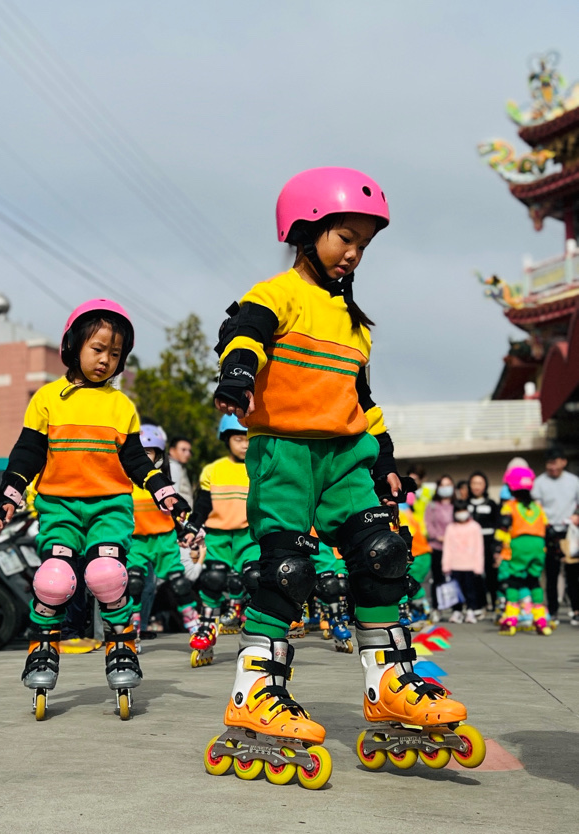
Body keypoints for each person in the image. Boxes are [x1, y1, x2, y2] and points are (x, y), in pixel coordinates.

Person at [194, 166, 483, 787]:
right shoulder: (277, 294)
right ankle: (254, 690)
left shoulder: (355, 323)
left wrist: (385, 456)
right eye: (344, 238)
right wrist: (238, 376)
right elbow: (244, 335)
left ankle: (390, 684)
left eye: (364, 245)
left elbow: (361, 396)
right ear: (305, 232)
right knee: (287, 571)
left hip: (347, 453)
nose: (354, 253)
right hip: (286, 452)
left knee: (383, 554)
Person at [0, 299, 189, 720]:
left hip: (109, 507)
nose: (105, 360)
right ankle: (43, 645)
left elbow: (136, 460)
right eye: (98, 349)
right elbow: (27, 453)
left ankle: (122, 643)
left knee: (105, 574)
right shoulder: (48, 399)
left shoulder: (120, 405)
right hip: (59, 507)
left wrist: (165, 492)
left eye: (115, 353)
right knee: (54, 580)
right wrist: (8, 495)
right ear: (72, 345)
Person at [183, 413, 260, 665]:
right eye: (238, 439)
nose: (244, 444)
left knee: (255, 578)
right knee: (213, 578)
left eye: (248, 438)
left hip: (249, 536)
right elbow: (203, 505)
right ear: (227, 440)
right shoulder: (213, 470)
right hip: (218, 535)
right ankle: (207, 626)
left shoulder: (260, 467)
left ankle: (257, 628)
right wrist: (192, 527)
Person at [127, 423, 201, 644]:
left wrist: (190, 529)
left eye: (147, 452)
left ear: (158, 456)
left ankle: (196, 629)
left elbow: (179, 509)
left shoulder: (161, 483)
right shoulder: (124, 484)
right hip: (136, 542)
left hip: (164, 541)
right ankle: (134, 631)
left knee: (179, 584)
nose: (142, 457)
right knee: (134, 584)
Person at [496, 466, 553, 636]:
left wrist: (497, 546)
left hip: (519, 545)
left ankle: (511, 621)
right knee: (534, 581)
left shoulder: (510, 506)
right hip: (538, 546)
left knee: (514, 581)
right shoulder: (537, 507)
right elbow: (548, 528)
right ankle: (541, 621)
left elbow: (504, 526)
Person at [532, 446, 579, 623]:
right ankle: (552, 611)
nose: (552, 467)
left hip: (570, 532)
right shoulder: (539, 483)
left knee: (573, 574)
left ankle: (576, 610)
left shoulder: (574, 481)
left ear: (563, 462)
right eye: (549, 463)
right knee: (551, 574)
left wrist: (577, 516)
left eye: (555, 462)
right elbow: (536, 507)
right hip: (549, 531)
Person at [441, 500, 485, 624]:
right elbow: (447, 548)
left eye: (463, 510)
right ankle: (457, 611)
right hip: (455, 565)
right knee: (455, 591)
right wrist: (446, 565)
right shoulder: (451, 527)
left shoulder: (475, 527)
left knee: (471, 590)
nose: (461, 513)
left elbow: (479, 548)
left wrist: (478, 566)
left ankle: (471, 610)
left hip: (470, 565)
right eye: (459, 511)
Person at [467, 471, 499, 613]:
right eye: (474, 483)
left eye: (480, 483)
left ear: (485, 485)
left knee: (491, 576)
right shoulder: (465, 504)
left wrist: (496, 547)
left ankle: (495, 603)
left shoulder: (491, 504)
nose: (476, 486)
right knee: (475, 577)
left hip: (488, 545)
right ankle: (480, 604)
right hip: (470, 547)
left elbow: (497, 525)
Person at [424, 474, 454, 607]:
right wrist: (438, 536)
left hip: (454, 547)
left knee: (454, 578)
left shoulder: (457, 505)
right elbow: (428, 524)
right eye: (442, 485)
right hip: (437, 546)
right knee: (437, 578)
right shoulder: (432, 506)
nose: (445, 488)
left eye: (448, 485)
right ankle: (437, 607)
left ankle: (456, 608)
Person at [168, 436, 194, 507]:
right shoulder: (172, 467)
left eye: (189, 451)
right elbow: (173, 494)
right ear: (172, 450)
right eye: (183, 450)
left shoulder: (178, 466)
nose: (188, 454)